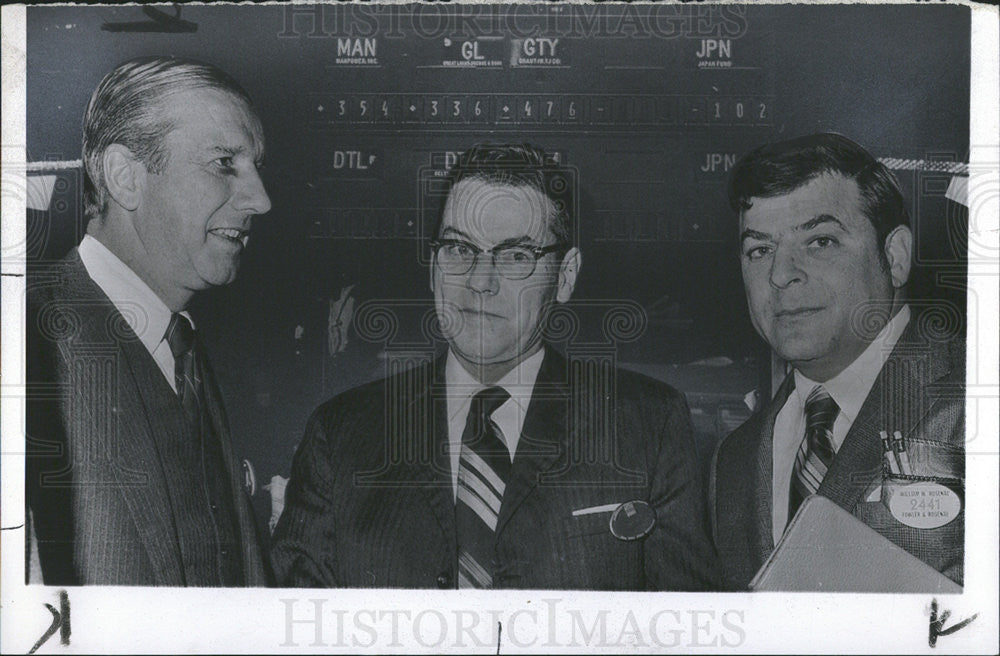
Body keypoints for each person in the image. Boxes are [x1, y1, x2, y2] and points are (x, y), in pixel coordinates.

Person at [272, 143, 719, 590]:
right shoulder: (341, 432)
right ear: (432, 268)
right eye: (459, 249)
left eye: (516, 256)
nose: (480, 281)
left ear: (565, 276)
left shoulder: (648, 424)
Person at [26, 56, 273, 586]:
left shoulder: (188, 351)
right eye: (224, 163)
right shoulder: (24, 347)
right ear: (124, 176)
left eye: (256, 168)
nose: (261, 200)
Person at [710, 133, 965, 590]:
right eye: (759, 250)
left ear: (895, 256)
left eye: (821, 241)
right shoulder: (733, 459)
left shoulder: (975, 397)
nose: (782, 274)